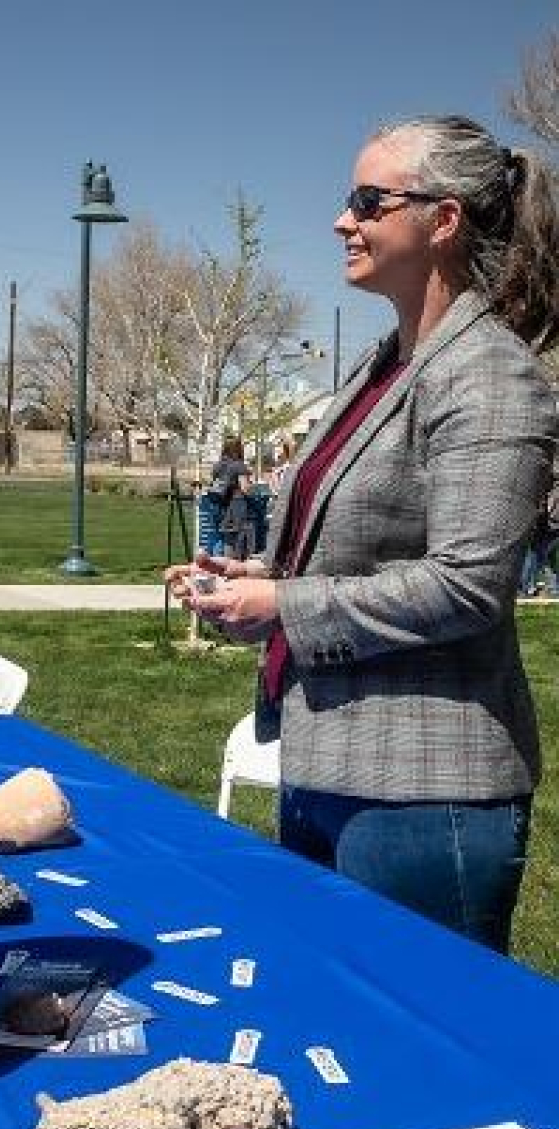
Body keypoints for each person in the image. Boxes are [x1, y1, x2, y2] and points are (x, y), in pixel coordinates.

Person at [168, 115, 559, 951]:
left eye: (367, 200)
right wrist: (248, 578)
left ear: (442, 220)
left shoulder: (489, 373)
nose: (343, 220)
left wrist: (284, 602)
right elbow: (347, 549)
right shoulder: (383, 365)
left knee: (424, 1057)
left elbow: (467, 584)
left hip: (423, 800)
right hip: (323, 765)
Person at [206, 435, 254, 558]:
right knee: (237, 542)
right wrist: (252, 486)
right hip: (237, 508)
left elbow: (214, 485)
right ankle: (233, 569)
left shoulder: (217, 466)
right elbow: (245, 489)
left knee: (221, 540)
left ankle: (218, 567)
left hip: (219, 507)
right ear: (238, 448)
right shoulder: (239, 465)